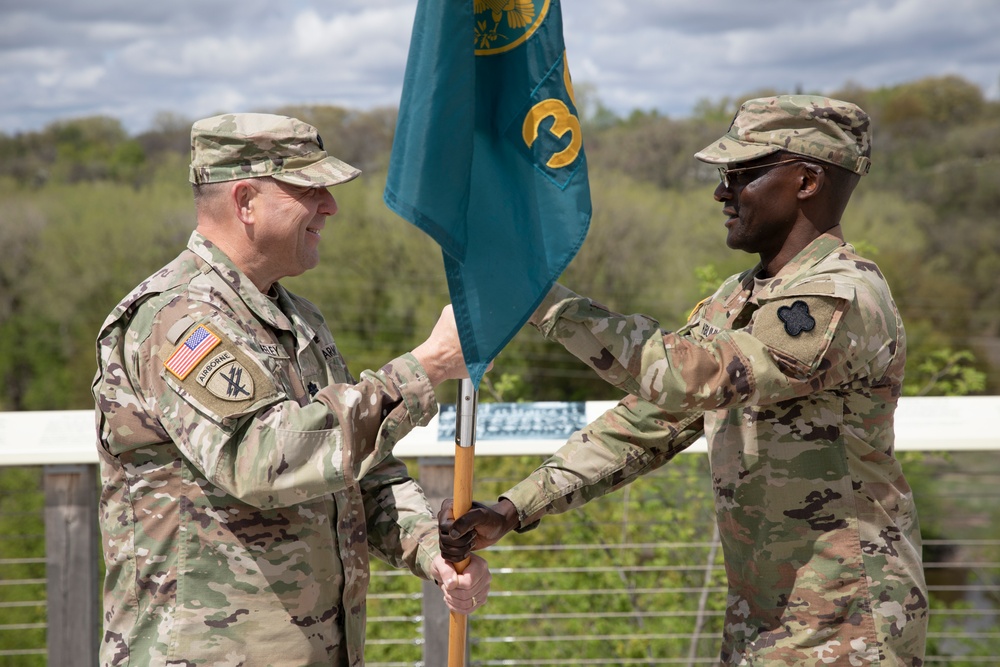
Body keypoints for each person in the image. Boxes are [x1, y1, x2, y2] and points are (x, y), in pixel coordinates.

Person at [440, 95, 928, 665]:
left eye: (742, 173)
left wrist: (539, 299)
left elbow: (686, 378)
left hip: (848, 624)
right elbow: (650, 421)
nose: (722, 191)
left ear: (807, 181)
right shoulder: (739, 296)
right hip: (767, 617)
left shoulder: (841, 296)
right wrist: (513, 508)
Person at [92, 112, 491, 667]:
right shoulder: (179, 319)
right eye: (309, 189)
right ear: (246, 201)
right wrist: (424, 367)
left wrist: (433, 549)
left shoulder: (297, 318)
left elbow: (359, 471)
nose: (330, 206)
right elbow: (262, 459)